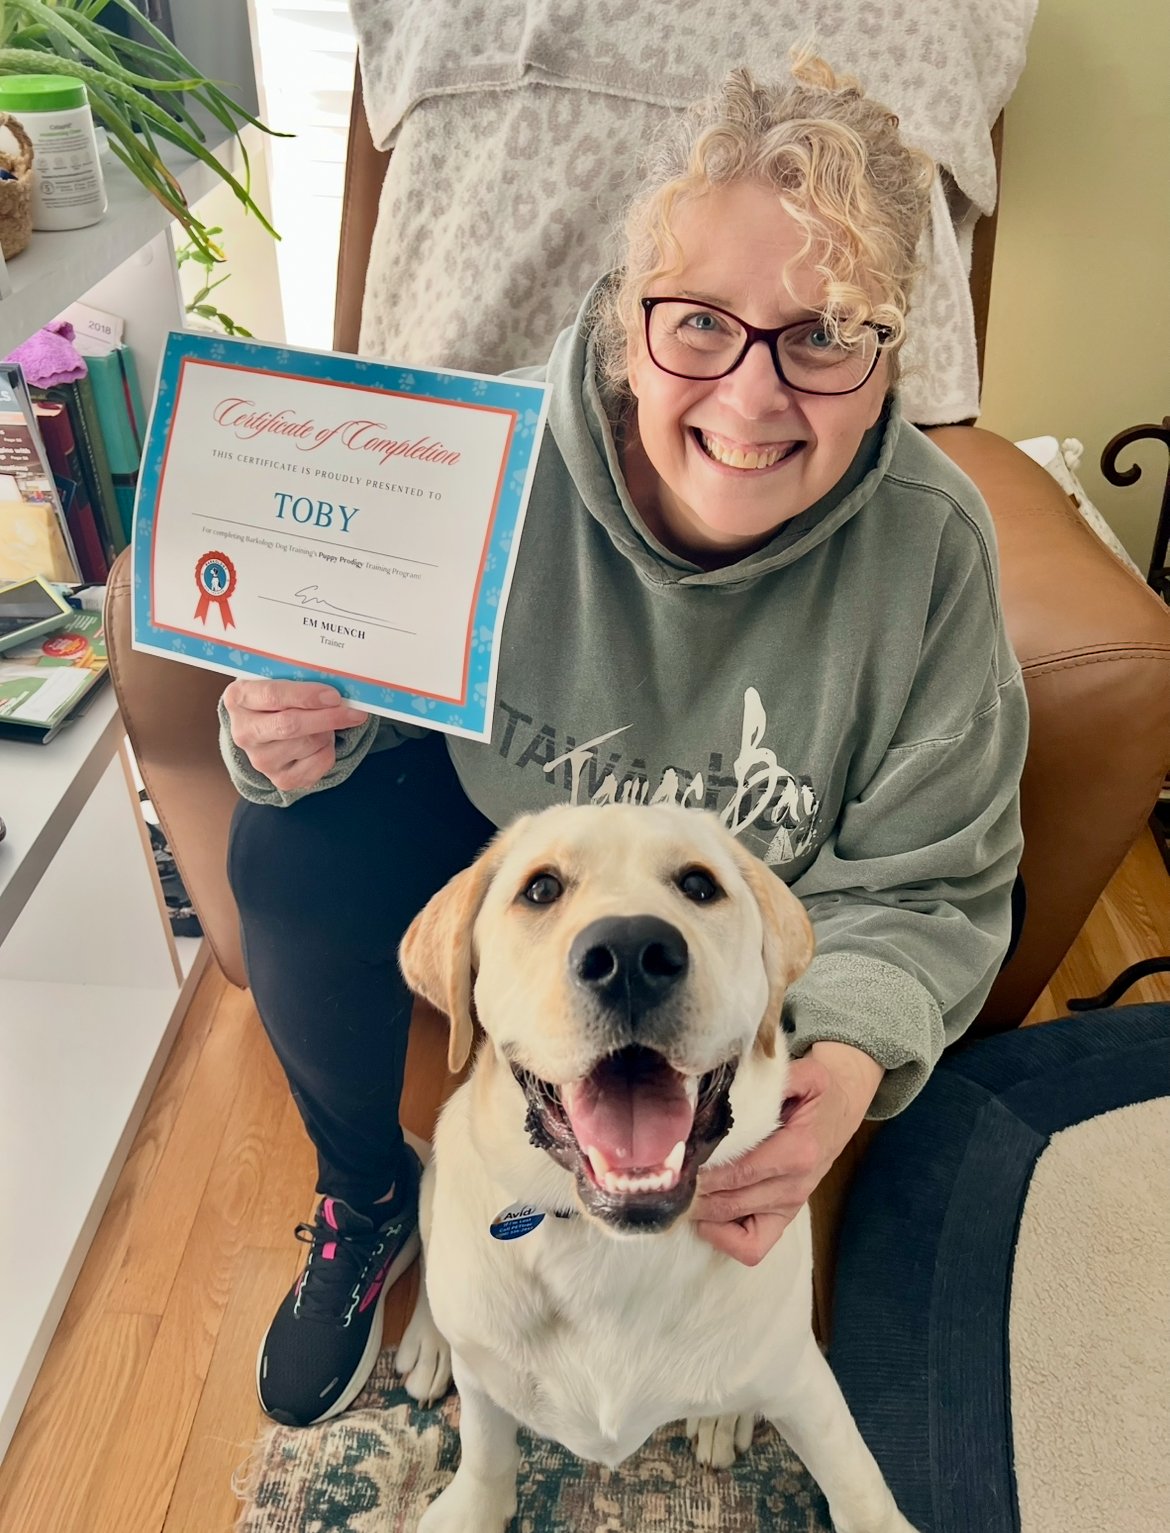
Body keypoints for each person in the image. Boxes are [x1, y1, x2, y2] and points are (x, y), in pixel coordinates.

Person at [221, 57, 1027, 1429]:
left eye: (828, 333)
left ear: (894, 349)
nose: (754, 397)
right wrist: (290, 730)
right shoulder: (477, 463)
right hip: (509, 832)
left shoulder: (930, 556)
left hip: (754, 912)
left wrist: (840, 1056)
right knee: (291, 838)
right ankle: (365, 1196)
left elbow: (931, 882)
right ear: (624, 323)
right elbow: (337, 700)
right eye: (699, 324)